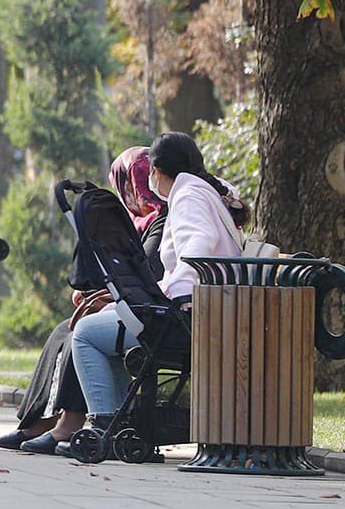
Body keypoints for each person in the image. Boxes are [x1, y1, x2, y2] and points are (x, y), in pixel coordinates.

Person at [70, 132, 248, 437]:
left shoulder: (188, 197)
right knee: (102, 327)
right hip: (210, 313)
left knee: (86, 334)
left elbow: (197, 252)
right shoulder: (204, 191)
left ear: (157, 171)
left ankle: (104, 425)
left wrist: (164, 296)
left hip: (189, 319)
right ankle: (119, 423)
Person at [0, 146, 166, 455]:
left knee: (80, 333)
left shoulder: (160, 224)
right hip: (136, 306)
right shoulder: (137, 224)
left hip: (152, 313)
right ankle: (41, 419)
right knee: (63, 330)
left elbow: (150, 274)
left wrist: (111, 299)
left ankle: (72, 422)